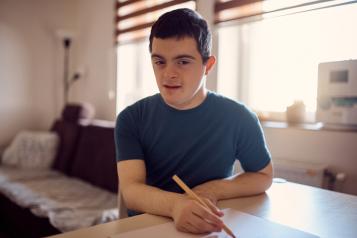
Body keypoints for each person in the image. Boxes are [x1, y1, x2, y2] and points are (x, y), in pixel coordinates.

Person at [115, 8, 273, 235]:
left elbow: (264, 177)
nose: (168, 74)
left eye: (182, 62)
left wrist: (212, 190)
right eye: (159, 61)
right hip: (146, 230)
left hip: (209, 227)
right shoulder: (131, 118)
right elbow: (131, 190)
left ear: (208, 65)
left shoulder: (239, 117)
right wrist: (177, 205)